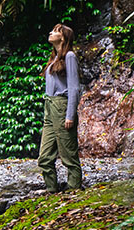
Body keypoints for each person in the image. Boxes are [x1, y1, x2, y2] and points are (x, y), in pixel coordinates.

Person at [38, 23, 82, 193]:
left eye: (55, 31)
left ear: (63, 37)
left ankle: (74, 190)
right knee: (44, 157)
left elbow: (74, 88)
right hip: (49, 106)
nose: (50, 32)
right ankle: (52, 190)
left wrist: (70, 115)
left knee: (68, 156)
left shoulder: (69, 56)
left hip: (62, 107)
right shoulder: (56, 58)